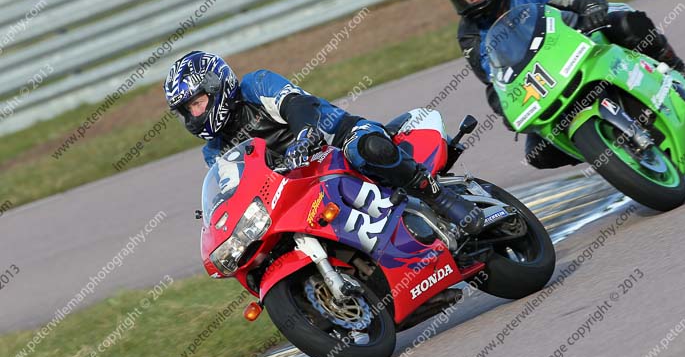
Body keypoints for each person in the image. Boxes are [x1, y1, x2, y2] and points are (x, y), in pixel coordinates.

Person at [439, 0, 685, 169]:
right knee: (538, 153)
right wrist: (504, 108)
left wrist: (590, 5)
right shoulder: (470, 35)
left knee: (628, 24)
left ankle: (681, 71)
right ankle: (603, 150)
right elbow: (493, 79)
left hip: (576, 38)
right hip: (542, 82)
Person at [163, 51, 484, 234]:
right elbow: (236, 186)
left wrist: (305, 134)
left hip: (334, 140)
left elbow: (294, 103)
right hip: (296, 188)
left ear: (216, 87)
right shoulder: (214, 151)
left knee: (367, 148)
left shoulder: (255, 86)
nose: (194, 116)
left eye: (197, 103)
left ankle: (438, 197)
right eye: (186, 111)